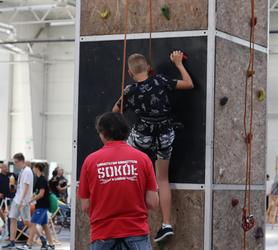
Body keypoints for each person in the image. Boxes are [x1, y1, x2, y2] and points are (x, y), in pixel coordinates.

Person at [112, 51, 193, 242]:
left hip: (143, 136)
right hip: (165, 134)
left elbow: (115, 112)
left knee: (131, 170)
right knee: (162, 179)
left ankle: (131, 219)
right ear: (148, 68)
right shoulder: (161, 81)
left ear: (131, 73)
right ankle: (166, 225)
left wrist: (127, 95)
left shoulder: (130, 90)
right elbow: (189, 84)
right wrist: (178, 63)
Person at [78, 112, 159, 250]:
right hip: (136, 233)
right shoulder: (143, 159)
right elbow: (153, 202)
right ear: (126, 131)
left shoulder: (90, 161)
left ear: (102, 133)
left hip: (102, 234)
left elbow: (85, 206)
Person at [16, 163, 55, 250]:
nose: (32, 169)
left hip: (42, 205)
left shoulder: (42, 180)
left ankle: (28, 245)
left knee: (33, 223)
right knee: (45, 225)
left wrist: (30, 200)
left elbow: (41, 194)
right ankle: (51, 245)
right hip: (40, 205)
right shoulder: (39, 179)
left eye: (33, 167)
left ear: (37, 168)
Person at [2, 153, 34, 249]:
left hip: (23, 201)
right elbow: (20, 187)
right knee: (12, 218)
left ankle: (41, 238)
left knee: (27, 222)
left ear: (21, 161)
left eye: (16, 162)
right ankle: (12, 241)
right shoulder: (22, 171)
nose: (15, 164)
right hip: (17, 199)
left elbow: (26, 188)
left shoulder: (27, 171)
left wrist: (21, 202)